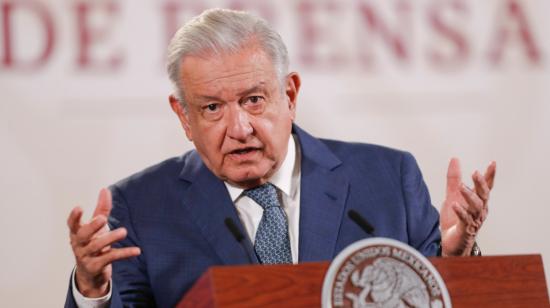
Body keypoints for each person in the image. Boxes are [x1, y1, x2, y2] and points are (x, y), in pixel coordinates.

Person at [65, 8, 496, 308]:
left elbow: (438, 295)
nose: (239, 128)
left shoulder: (387, 180)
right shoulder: (140, 207)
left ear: (289, 95)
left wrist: (455, 261)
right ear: (183, 116)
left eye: (254, 100)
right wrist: (92, 288)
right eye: (212, 108)